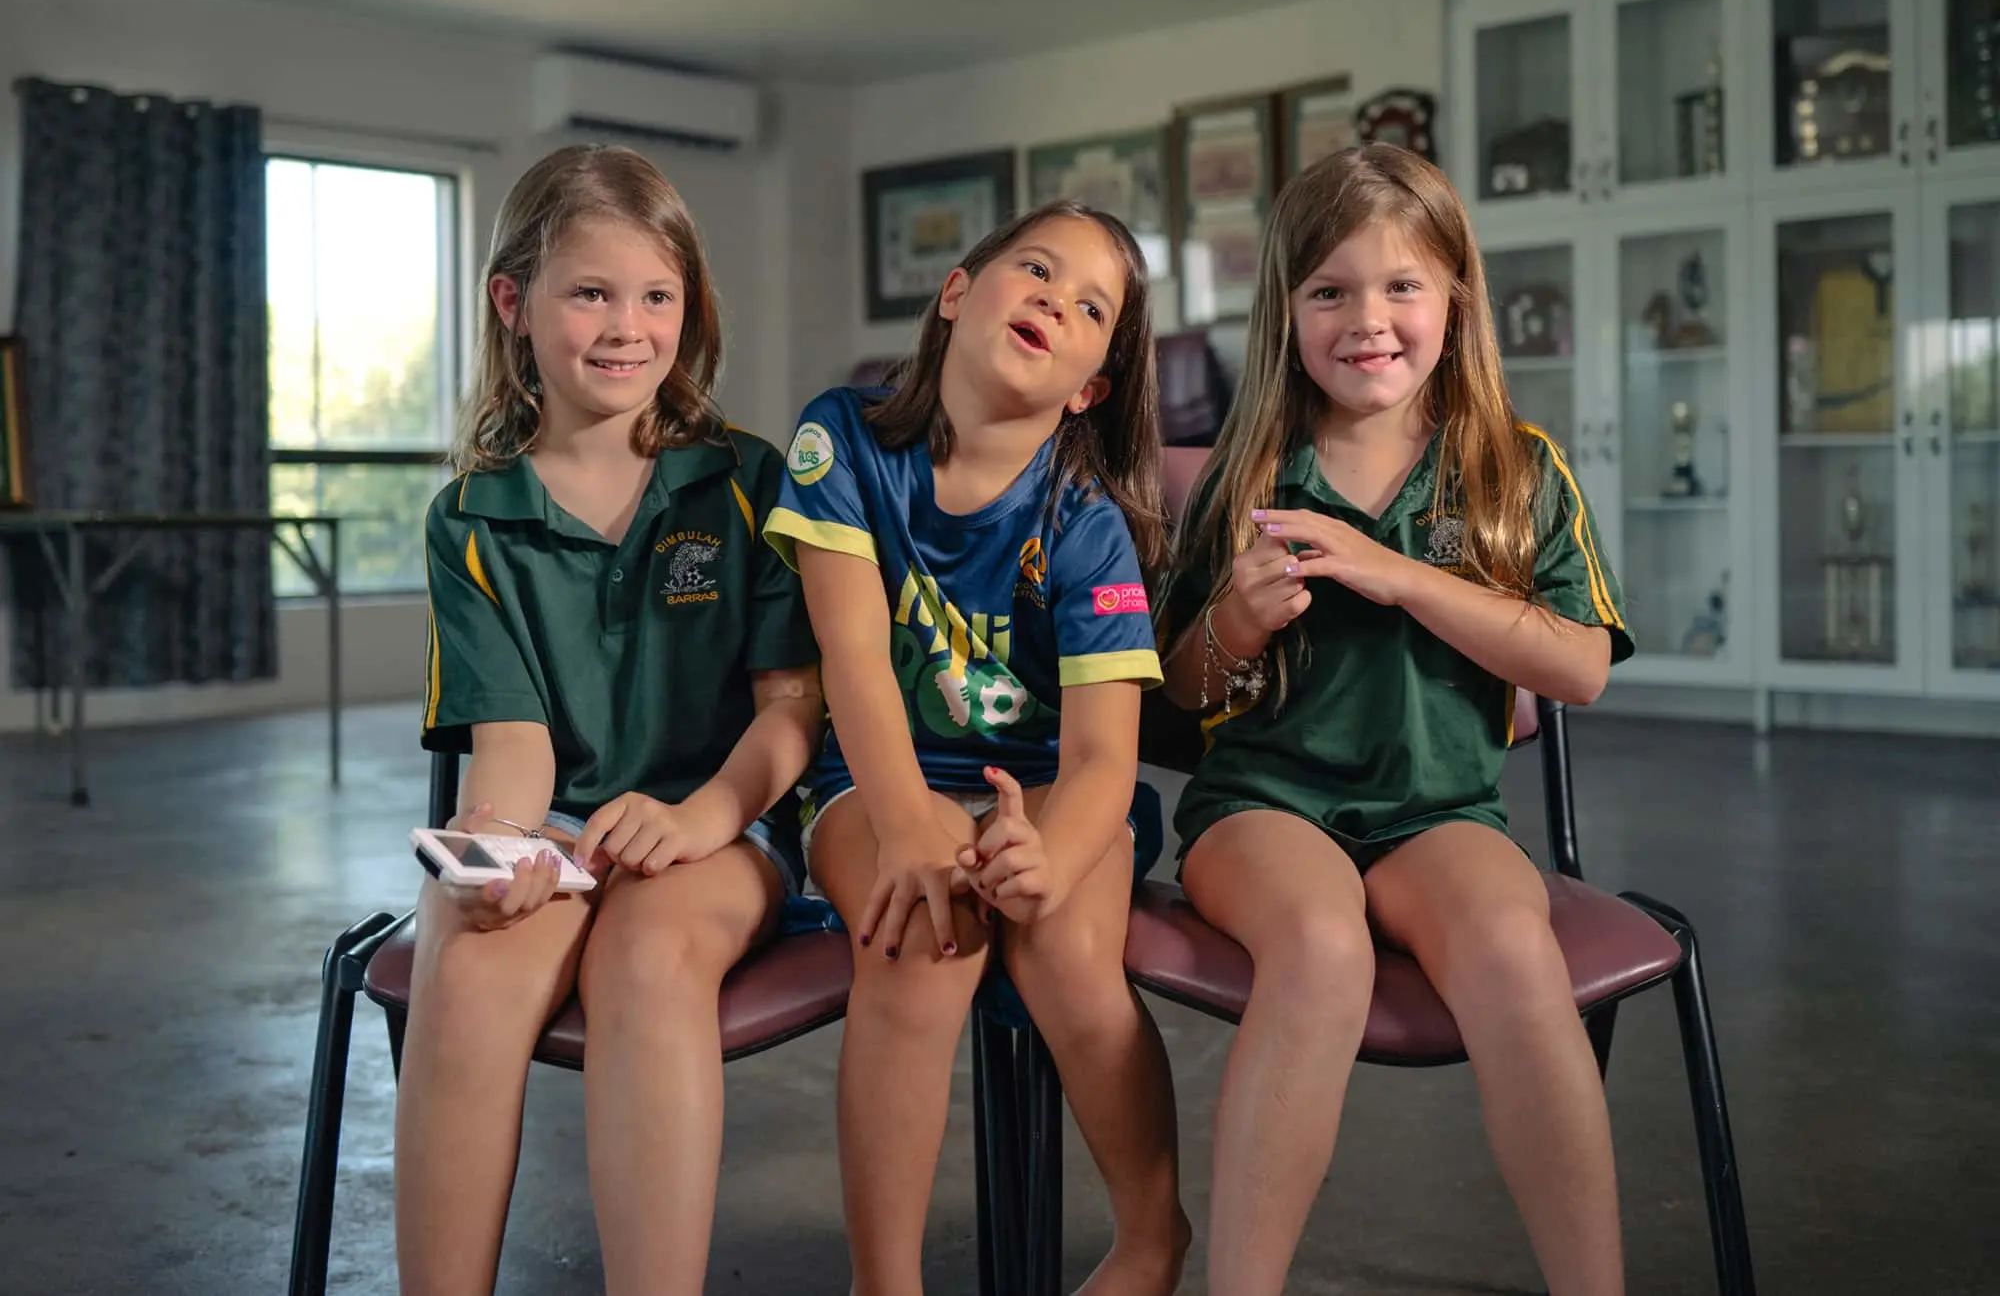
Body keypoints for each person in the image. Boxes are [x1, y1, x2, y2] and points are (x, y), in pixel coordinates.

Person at [1159, 143, 1635, 1296]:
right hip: (1265, 805)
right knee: (1319, 947)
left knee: (1513, 947)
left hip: (1442, 809)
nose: (1365, 319)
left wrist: (1401, 574)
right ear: (1287, 312)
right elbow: (1181, 689)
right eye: (1328, 290)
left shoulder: (1515, 470)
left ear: (1452, 297)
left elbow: (1576, 671)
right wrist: (1235, 617)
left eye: (1399, 286)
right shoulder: (1246, 473)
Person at [397, 143, 823, 1296]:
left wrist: (699, 818)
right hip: (564, 831)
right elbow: (513, 740)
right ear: (513, 303)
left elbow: (790, 708)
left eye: (656, 295)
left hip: (723, 830)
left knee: (644, 956)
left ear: (688, 308)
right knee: (469, 952)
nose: (626, 325)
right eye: (590, 292)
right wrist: (500, 846)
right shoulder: (470, 521)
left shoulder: (746, 478)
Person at [765, 200, 1189, 1296]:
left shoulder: (1087, 518)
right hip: (876, 771)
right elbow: (851, 657)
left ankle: (1150, 1238)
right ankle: (885, 1281)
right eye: (1035, 268)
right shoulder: (842, 438)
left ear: (1090, 383)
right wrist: (910, 822)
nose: (1055, 297)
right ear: (957, 290)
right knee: (925, 932)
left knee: (1064, 954)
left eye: (1090, 305)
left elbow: (1103, 758)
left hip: (1044, 782)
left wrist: (1045, 855)